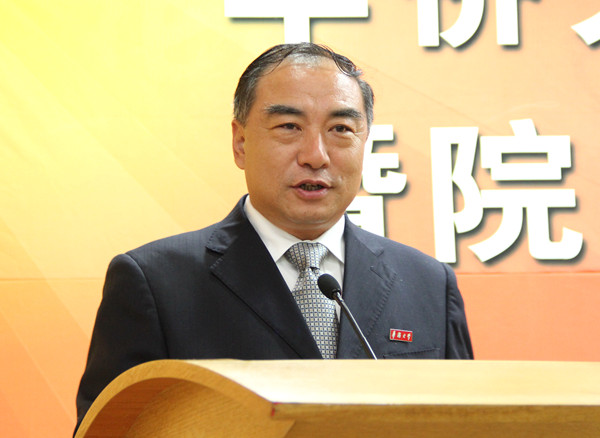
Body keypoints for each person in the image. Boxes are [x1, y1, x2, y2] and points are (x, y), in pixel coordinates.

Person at [75, 42, 473, 431]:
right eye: (289, 127)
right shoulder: (156, 283)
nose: (315, 155)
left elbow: (470, 424)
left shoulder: (428, 285)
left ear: (365, 141)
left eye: (340, 129)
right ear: (240, 142)